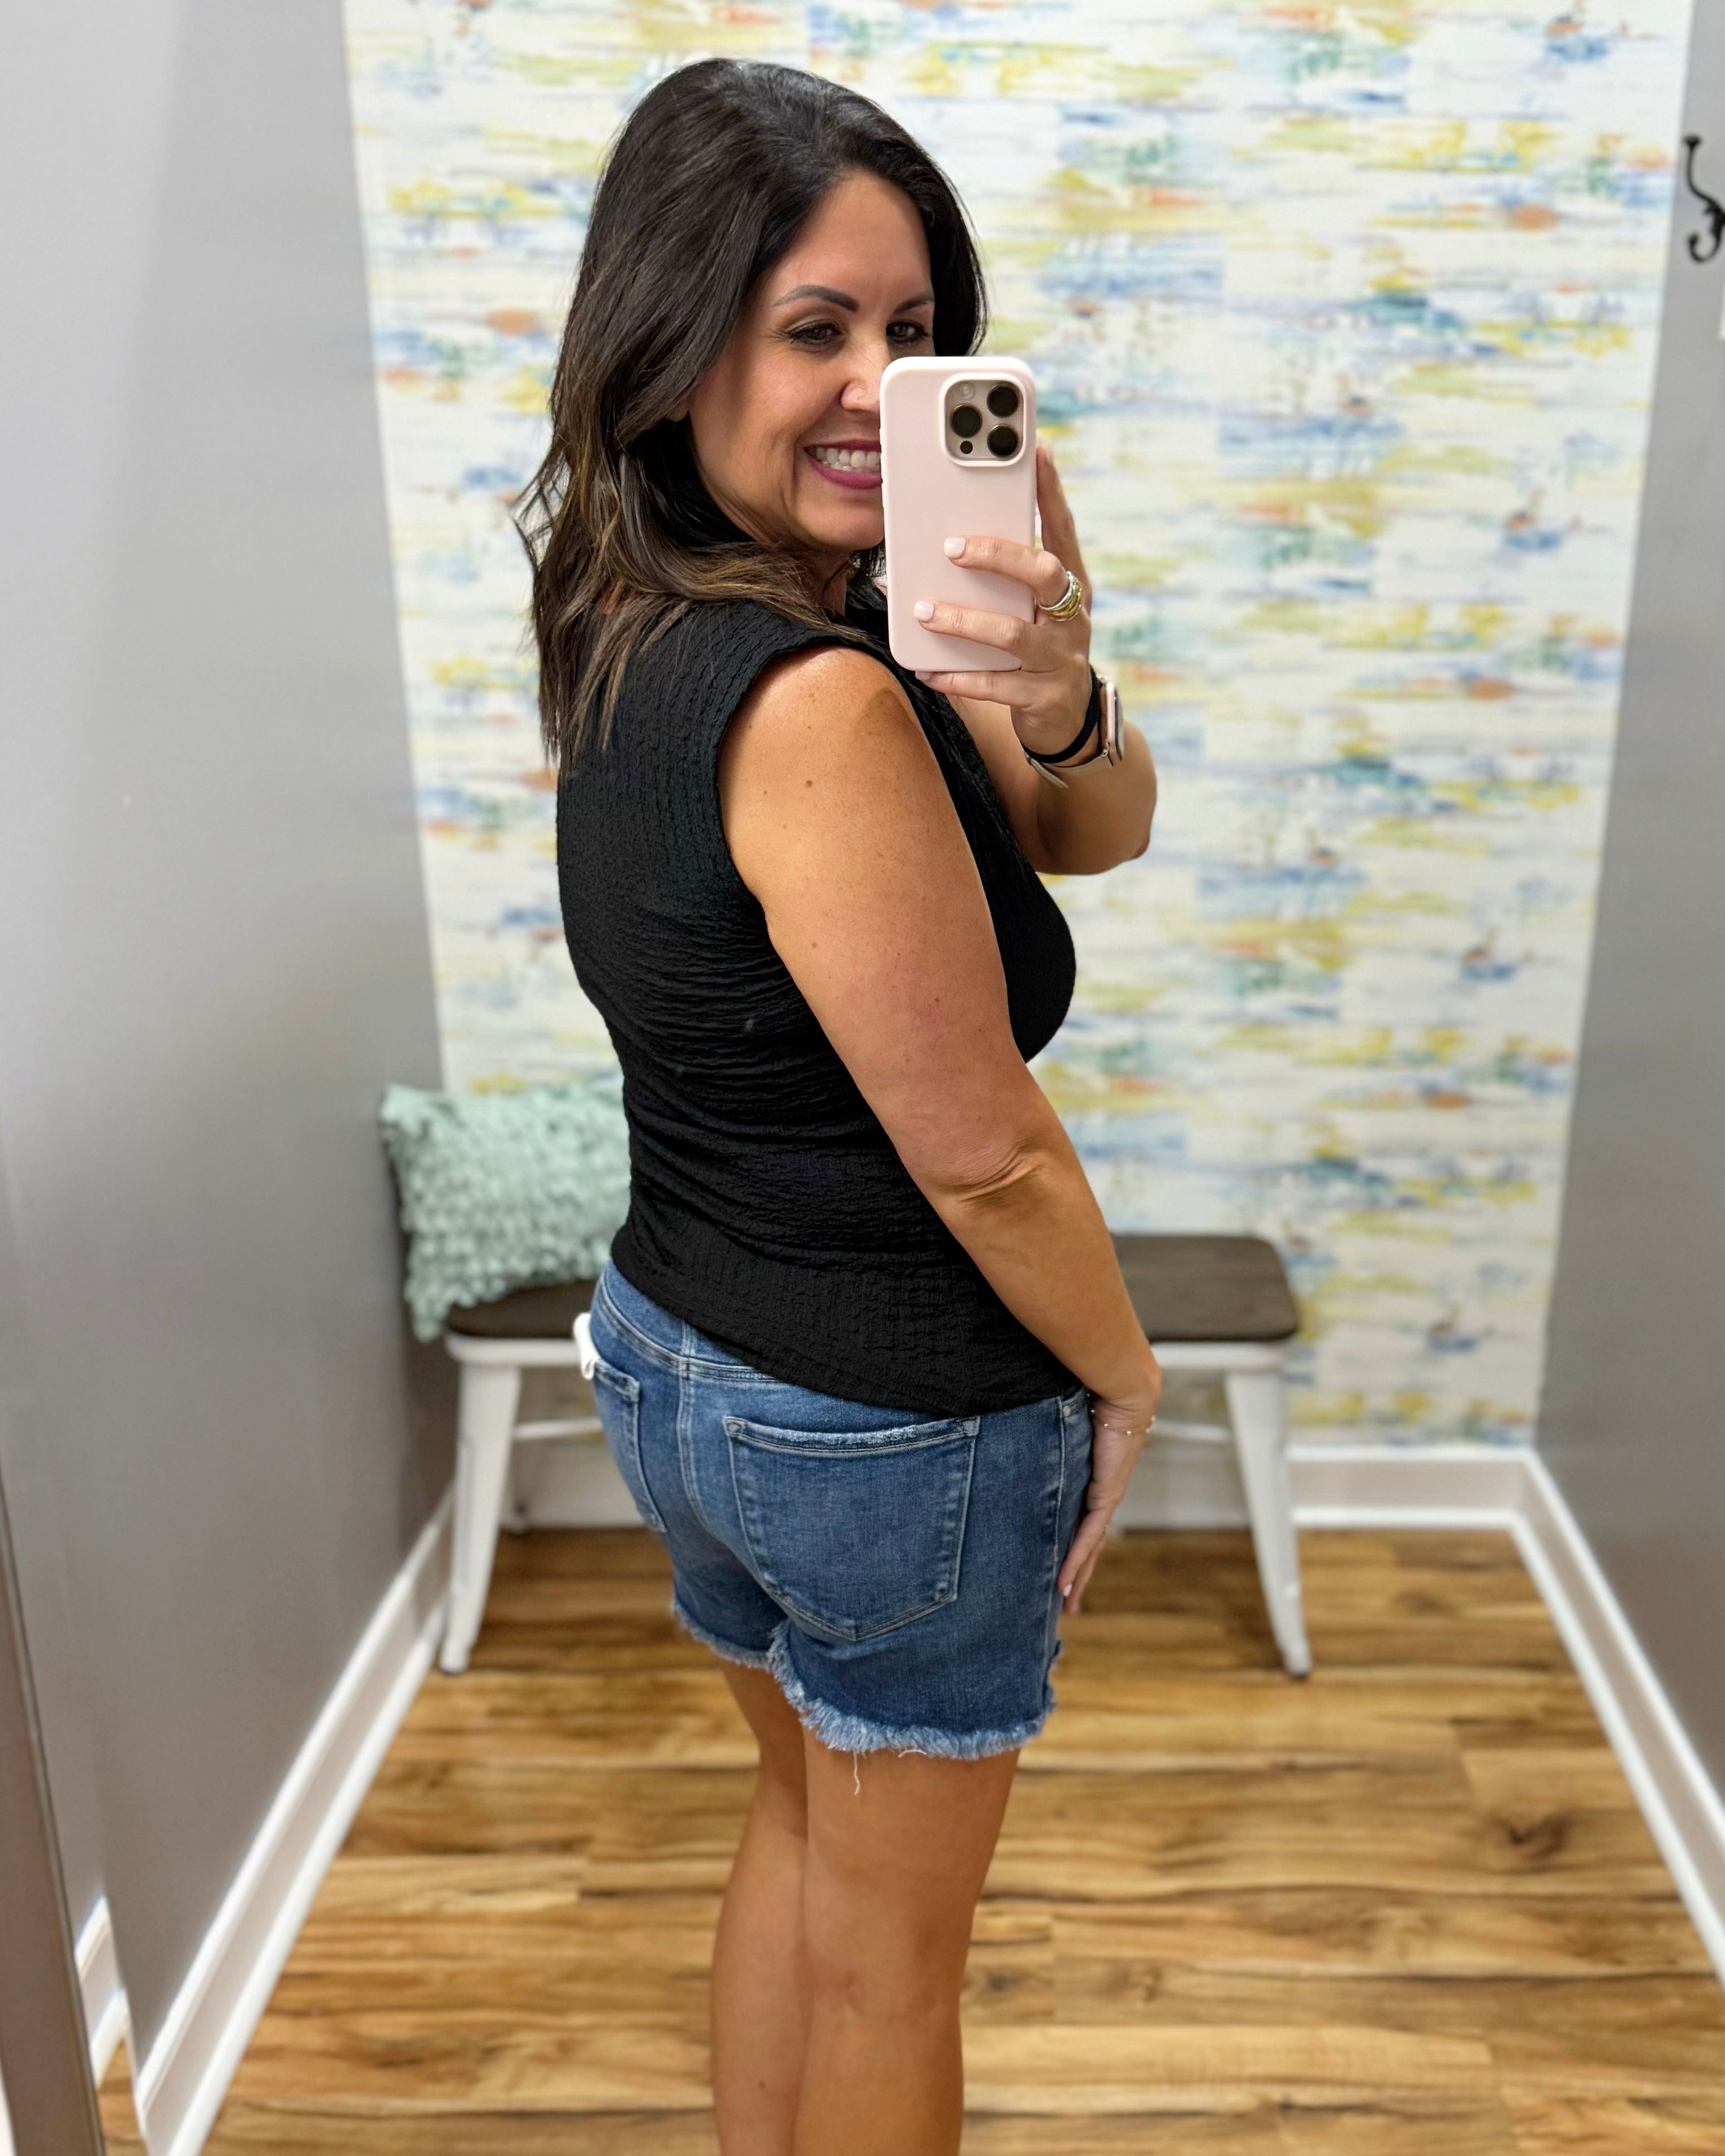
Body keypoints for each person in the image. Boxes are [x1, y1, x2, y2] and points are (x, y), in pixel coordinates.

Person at [523, 57, 1163, 2156]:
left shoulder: (647, 619)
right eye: (815, 328)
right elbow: (982, 1149)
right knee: (896, 1965)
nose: (878, 387)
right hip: (882, 1418)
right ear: (672, 340)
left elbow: (1090, 835)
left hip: (680, 1354)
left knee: (800, 1833)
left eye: (913, 331)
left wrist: (1046, 680)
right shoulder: (814, 705)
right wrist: (1126, 1369)